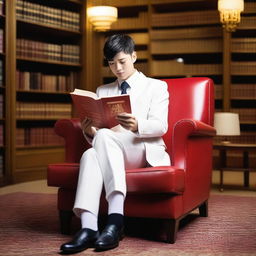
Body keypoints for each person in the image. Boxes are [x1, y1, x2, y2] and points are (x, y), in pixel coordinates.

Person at [60, 34, 170, 253]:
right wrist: (90, 130)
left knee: (101, 142)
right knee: (91, 154)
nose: (117, 68)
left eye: (122, 61)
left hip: (142, 151)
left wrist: (138, 124)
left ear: (134, 56)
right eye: (111, 64)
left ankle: (115, 217)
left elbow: (161, 126)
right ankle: (89, 227)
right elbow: (100, 133)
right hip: (111, 149)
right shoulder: (103, 90)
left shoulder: (156, 86)